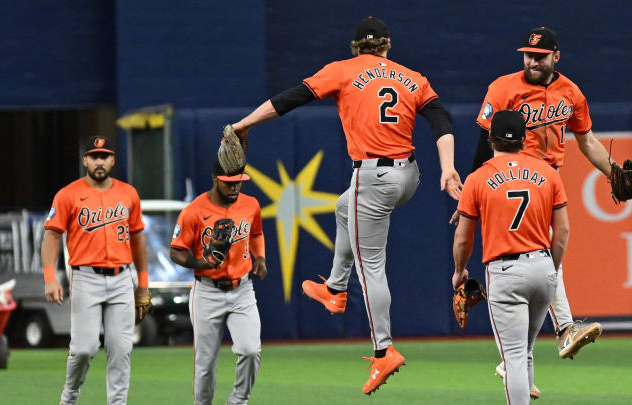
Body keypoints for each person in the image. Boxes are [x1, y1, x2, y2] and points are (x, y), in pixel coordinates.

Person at [230, 16, 461, 395]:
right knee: (343, 207)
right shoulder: (411, 76)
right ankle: (335, 288)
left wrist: (245, 124)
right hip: (409, 175)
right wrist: (449, 167)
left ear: (356, 48)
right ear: (387, 46)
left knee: (372, 266)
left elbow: (291, 98)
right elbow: (441, 118)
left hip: (373, 177)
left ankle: (383, 349)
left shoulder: (342, 70)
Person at [469, 27, 603, 366]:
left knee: (546, 254)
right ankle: (565, 330)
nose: (533, 61)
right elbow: (483, 140)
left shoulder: (570, 91)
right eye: (528, 55)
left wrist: (612, 170)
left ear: (556, 56)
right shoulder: (503, 88)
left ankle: (515, 358)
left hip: (547, 176)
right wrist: (474, 187)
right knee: (544, 252)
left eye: (540, 56)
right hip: (511, 176)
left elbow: (586, 140)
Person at [454, 109, 569, 405]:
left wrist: (459, 271)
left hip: (505, 272)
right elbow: (563, 231)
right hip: (543, 268)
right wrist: (551, 270)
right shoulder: (547, 172)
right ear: (525, 139)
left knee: (515, 356)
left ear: (491, 138)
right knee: (525, 348)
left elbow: (464, 237)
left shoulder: (478, 179)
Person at [42, 136, 150, 405]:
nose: (99, 161)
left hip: (122, 278)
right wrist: (49, 278)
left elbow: (138, 240)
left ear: (113, 160)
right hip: (86, 277)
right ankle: (70, 394)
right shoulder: (67, 194)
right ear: (85, 160)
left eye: (104, 156)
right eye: (94, 156)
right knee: (84, 349)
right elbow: (52, 236)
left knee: (121, 348)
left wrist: (143, 285)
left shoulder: (128, 194)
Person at [170, 158, 267, 405]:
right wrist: (200, 263)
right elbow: (176, 251)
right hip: (207, 291)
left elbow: (256, 233)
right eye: (228, 183)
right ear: (215, 178)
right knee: (205, 364)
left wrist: (261, 258)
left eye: (238, 182)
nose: (234, 188)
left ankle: (238, 401)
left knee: (250, 350)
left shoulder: (251, 205)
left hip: (242, 289)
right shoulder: (193, 210)